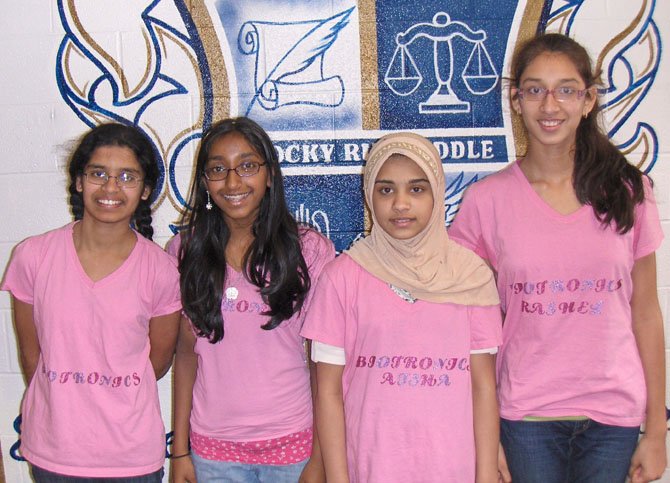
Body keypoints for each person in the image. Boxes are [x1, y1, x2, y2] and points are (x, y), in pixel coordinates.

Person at [449, 33, 666, 483]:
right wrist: (483, 437)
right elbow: (468, 328)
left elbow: (646, 311)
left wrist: (657, 429)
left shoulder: (629, 191)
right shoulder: (485, 202)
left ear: (587, 101)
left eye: (566, 89)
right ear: (516, 100)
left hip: (614, 417)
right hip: (525, 417)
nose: (551, 105)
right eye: (535, 89)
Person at [301, 132, 503, 482]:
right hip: (370, 468)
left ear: (437, 193)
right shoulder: (342, 278)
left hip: (452, 468)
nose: (401, 204)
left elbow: (484, 387)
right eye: (386, 190)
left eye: (417, 189)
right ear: (369, 196)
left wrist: (485, 476)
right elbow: (328, 392)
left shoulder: (472, 277)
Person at [1, 123, 182, 481]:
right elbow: (33, 356)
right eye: (98, 173)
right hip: (54, 452)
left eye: (127, 177)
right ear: (79, 181)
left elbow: (157, 362)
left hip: (131, 457)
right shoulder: (33, 256)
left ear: (145, 190)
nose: (111, 187)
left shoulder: (160, 269)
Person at [169, 117, 335, 483]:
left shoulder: (308, 250)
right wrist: (180, 452)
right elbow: (184, 356)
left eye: (247, 166)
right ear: (204, 181)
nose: (232, 182)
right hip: (212, 454)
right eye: (218, 169)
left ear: (270, 174)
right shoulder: (185, 251)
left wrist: (320, 458)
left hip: (294, 450)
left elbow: (323, 362)